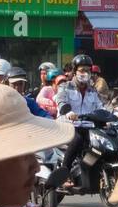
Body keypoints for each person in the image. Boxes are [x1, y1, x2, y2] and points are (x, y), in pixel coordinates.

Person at [45, 54, 106, 189]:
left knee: (100, 142)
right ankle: (65, 173)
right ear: (74, 71)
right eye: (82, 70)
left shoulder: (92, 90)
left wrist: (112, 115)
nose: (85, 73)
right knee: (77, 139)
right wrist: (68, 112)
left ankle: (90, 170)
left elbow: (101, 106)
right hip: (68, 125)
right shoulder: (65, 86)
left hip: (87, 126)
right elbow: (61, 101)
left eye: (88, 71)